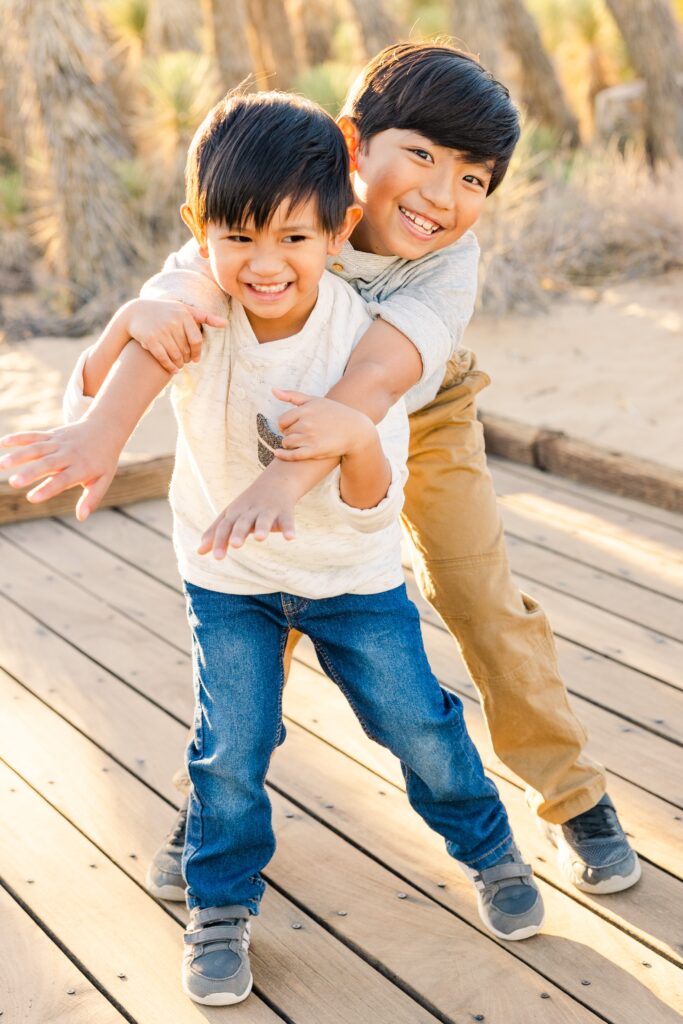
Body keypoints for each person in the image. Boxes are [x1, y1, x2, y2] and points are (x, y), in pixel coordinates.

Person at [1, 43, 639, 898]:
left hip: (419, 408)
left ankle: (572, 798)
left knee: (480, 599)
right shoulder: (274, 190)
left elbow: (370, 383)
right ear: (352, 143)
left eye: (473, 179)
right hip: (276, 409)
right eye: (420, 155)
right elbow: (170, 316)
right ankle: (214, 806)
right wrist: (122, 339)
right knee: (265, 600)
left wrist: (279, 482)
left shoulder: (448, 260)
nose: (441, 196)